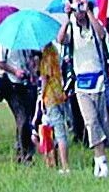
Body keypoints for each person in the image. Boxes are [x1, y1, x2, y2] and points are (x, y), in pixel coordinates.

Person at [59, 0, 109, 178]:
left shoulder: (93, 22)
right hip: (81, 83)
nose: (78, 10)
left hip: (99, 80)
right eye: (76, 6)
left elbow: (102, 34)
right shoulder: (71, 27)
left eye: (80, 5)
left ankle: (99, 158)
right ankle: (101, 160)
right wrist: (67, 17)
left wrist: (89, 12)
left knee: (103, 123)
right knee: (91, 121)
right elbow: (60, 39)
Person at [0, 35, 36, 163]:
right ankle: (25, 154)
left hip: (25, 84)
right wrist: (14, 71)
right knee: (22, 118)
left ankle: (21, 150)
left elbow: (29, 60)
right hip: (11, 84)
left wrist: (31, 69)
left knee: (25, 119)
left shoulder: (26, 42)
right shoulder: (5, 41)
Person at [37, 42, 70, 174]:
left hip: (50, 97)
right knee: (59, 131)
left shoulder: (46, 57)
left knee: (59, 133)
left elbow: (44, 79)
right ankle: (60, 163)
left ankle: (65, 166)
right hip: (60, 94)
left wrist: (41, 97)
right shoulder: (55, 52)